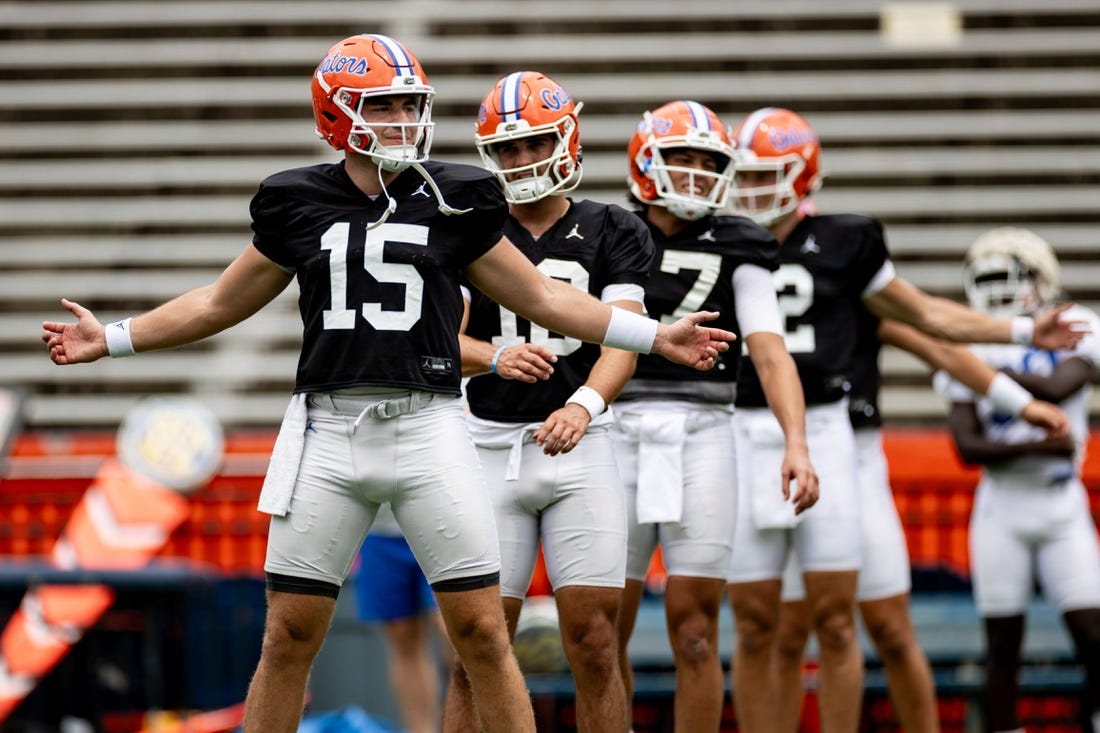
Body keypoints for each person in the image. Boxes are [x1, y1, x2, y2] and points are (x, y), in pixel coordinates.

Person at [39, 34, 738, 733]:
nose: (405, 120)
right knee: (287, 634)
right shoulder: (296, 200)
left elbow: (547, 301)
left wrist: (655, 336)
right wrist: (116, 337)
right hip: (327, 426)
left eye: (411, 104)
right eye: (387, 105)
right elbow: (221, 301)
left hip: (429, 424)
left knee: (485, 634)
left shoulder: (455, 197)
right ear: (337, 115)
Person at [725, 107, 1087, 733]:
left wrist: (1016, 398)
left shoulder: (847, 253)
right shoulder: (726, 248)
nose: (751, 189)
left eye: (766, 176)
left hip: (845, 448)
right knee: (778, 629)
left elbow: (934, 336)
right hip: (757, 439)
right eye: (746, 175)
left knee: (880, 625)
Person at [442, 70, 650, 733]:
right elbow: (439, 337)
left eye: (534, 144)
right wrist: (492, 355)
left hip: (583, 443)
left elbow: (624, 335)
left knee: (594, 640)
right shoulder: (466, 227)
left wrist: (583, 405)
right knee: (474, 646)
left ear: (566, 140)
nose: (522, 161)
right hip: (486, 443)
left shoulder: (613, 226)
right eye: (508, 150)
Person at [610, 99, 818, 733]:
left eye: (709, 161)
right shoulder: (610, 231)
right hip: (613, 429)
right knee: (600, 629)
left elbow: (770, 351)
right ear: (647, 162)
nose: (698, 173)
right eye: (682, 158)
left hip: (703, 431)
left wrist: (798, 443)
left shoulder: (741, 243)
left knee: (696, 629)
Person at [772, 313, 1070, 733]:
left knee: (889, 630)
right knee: (784, 635)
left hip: (855, 453)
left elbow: (930, 329)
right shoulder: (752, 263)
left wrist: (1017, 396)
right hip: (773, 449)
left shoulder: (846, 265)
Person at [938, 227, 1100, 733]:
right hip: (1002, 507)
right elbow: (967, 448)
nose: (999, 288)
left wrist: (981, 369)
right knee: (1002, 647)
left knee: (1094, 637)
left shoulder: (1077, 324)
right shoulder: (967, 343)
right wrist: (1045, 441)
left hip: (1059, 503)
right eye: (987, 278)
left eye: (1010, 277)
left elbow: (1059, 384)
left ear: (1042, 278)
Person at [355, 504, 453, 733]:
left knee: (454, 632)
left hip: (440, 521)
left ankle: (466, 726)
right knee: (402, 636)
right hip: (377, 526)